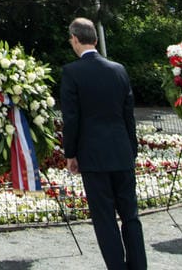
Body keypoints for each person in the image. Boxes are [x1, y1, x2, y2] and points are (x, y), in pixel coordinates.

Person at [58, 18, 146, 270]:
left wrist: (70, 153)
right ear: (95, 39)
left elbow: (71, 118)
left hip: (93, 155)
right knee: (131, 216)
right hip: (121, 152)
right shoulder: (119, 69)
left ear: (75, 39)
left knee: (105, 219)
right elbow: (129, 115)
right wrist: (132, 150)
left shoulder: (71, 72)